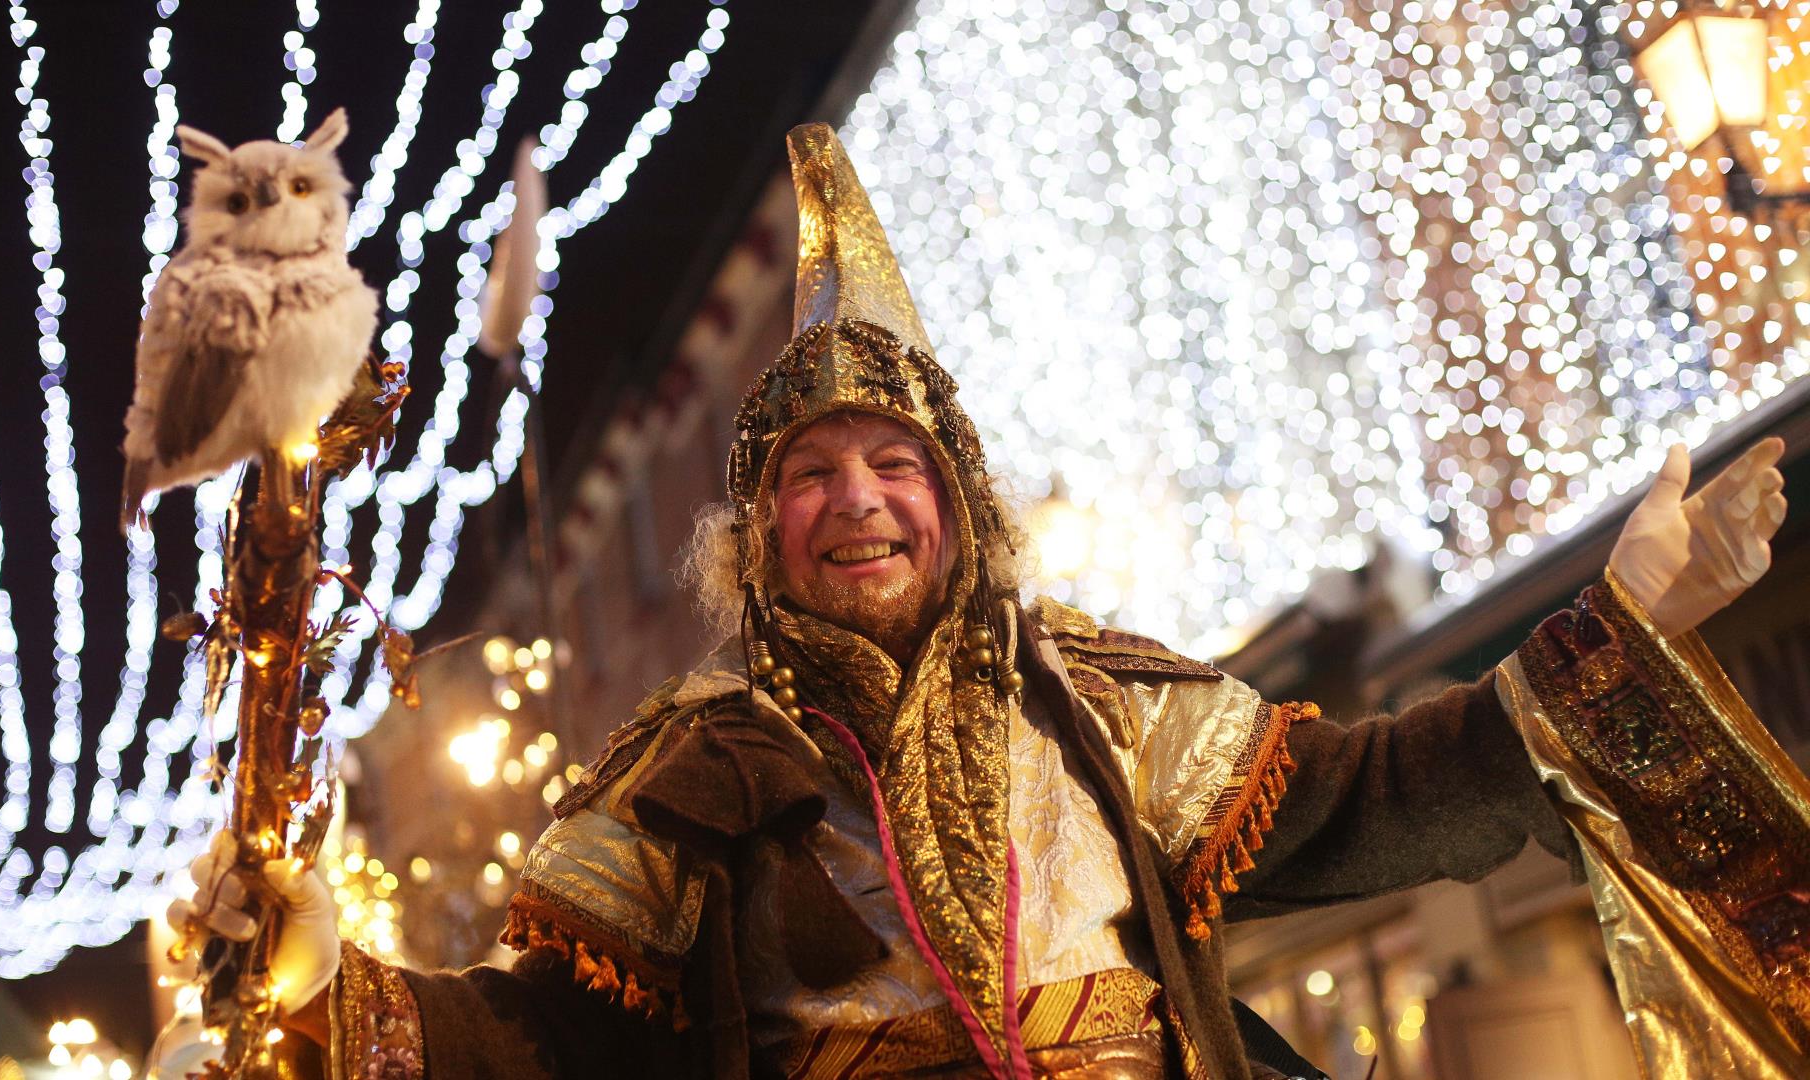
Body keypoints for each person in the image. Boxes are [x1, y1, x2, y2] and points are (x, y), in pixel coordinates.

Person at [171, 124, 1806, 1079]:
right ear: (757, 536)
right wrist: (327, 991)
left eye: (894, 463)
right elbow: (534, 1041)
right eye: (810, 476)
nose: (857, 501)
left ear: (953, 502)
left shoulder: (1095, 700)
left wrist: (1614, 632)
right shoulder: (687, 770)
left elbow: (1375, 794)